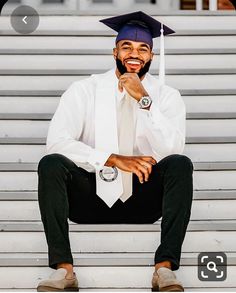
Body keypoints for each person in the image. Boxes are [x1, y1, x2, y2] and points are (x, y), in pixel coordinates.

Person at [37, 11, 193, 292]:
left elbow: (172, 148)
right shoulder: (84, 90)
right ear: (115, 51)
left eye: (143, 49)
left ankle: (164, 269)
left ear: (151, 57)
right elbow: (57, 142)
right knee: (51, 164)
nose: (135, 54)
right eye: (127, 47)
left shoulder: (167, 97)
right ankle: (64, 270)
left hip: (144, 197)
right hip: (90, 196)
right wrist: (112, 158)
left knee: (181, 164)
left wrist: (144, 100)